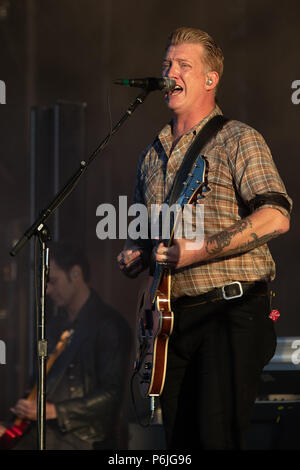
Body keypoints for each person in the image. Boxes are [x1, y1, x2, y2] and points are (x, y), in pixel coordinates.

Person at [117, 27, 292, 450]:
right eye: (166, 64)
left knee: (214, 439)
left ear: (210, 79)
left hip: (230, 314)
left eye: (182, 65)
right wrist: (137, 253)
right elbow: (147, 233)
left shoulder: (238, 139)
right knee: (179, 445)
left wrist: (198, 251)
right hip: (171, 324)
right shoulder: (151, 153)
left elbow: (276, 216)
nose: (169, 72)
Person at [9, 242, 132, 450]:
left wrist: (53, 410)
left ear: (76, 273)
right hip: (46, 430)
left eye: (53, 281)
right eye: (44, 284)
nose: (47, 290)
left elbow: (112, 395)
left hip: (84, 436)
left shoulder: (109, 325)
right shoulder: (55, 324)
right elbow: (40, 380)